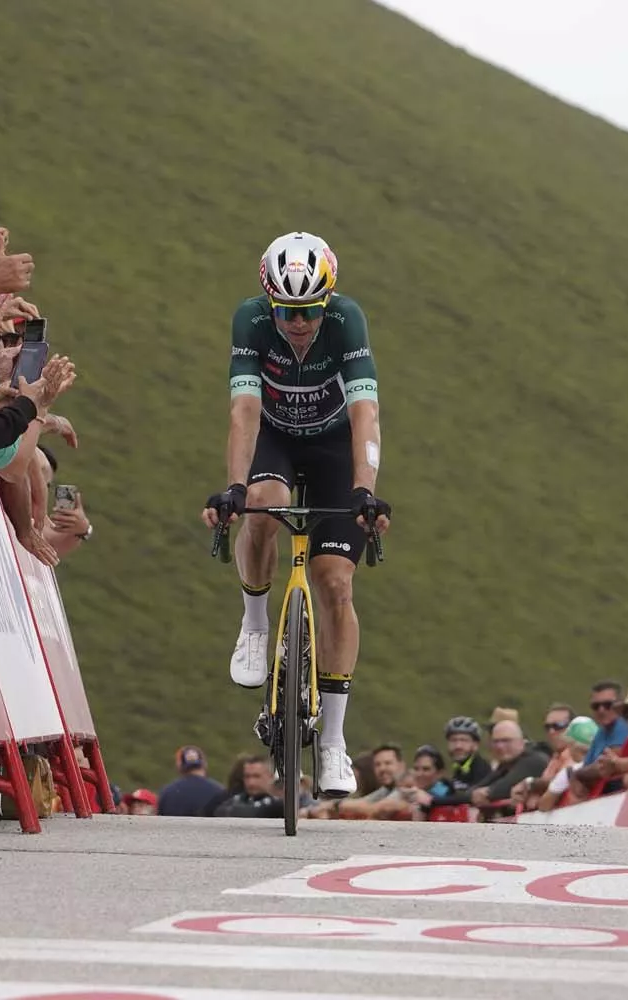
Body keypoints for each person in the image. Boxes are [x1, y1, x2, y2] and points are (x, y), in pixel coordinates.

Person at [201, 232, 392, 798]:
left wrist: (364, 489)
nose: (298, 322)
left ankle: (333, 742)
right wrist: (235, 487)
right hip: (276, 440)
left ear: (326, 302)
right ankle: (255, 624)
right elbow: (244, 410)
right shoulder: (252, 323)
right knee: (262, 503)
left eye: (309, 310)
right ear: (270, 302)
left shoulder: (347, 322)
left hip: (335, 447)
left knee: (335, 584)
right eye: (287, 310)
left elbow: (366, 415)